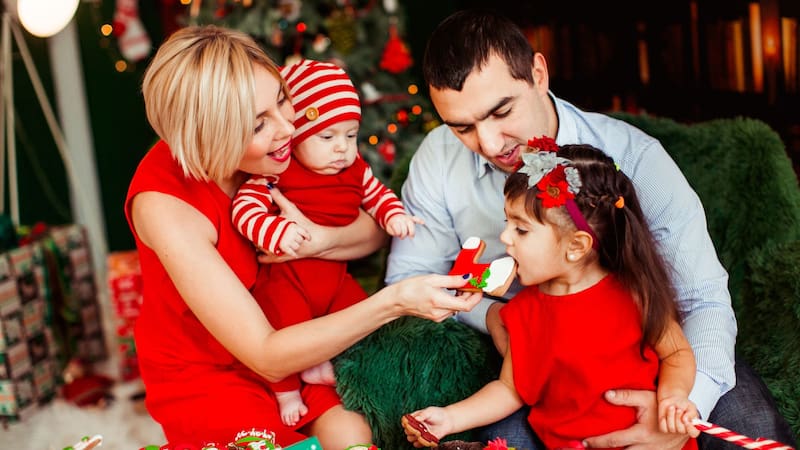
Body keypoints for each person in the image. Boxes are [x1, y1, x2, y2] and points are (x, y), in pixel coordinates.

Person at [385, 8, 797, 450]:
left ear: (538, 74)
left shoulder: (636, 159)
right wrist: (491, 316)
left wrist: (677, 409)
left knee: (752, 425)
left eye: (502, 111)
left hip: (644, 354)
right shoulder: (439, 157)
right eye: (462, 127)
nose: (488, 144)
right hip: (537, 360)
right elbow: (409, 277)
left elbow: (702, 298)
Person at [126, 25, 481, 449]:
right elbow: (266, 354)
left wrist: (319, 240)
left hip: (299, 341)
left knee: (356, 435)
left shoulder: (280, 146)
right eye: (259, 124)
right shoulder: (165, 206)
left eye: (281, 100)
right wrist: (394, 302)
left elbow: (371, 232)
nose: (287, 128)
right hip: (216, 370)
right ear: (211, 136)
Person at [404, 142, 701, 449]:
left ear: (576, 246)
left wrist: (673, 397)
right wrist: (450, 418)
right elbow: (510, 389)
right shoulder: (523, 313)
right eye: (508, 222)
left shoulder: (635, 296)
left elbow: (676, 354)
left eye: (521, 229)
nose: (504, 237)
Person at [231, 58, 423, 427]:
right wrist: (277, 232)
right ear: (298, 136)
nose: (342, 149)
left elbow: (377, 195)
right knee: (285, 322)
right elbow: (245, 209)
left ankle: (343, 367)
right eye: (327, 137)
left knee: (362, 316)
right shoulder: (280, 173)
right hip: (290, 279)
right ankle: (286, 391)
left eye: (351, 136)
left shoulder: (355, 169)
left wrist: (394, 215)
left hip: (334, 277)